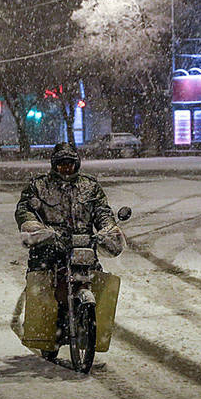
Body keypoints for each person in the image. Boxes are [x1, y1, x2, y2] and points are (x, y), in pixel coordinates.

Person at [11, 142, 125, 346]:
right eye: (61, 163)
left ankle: (92, 328)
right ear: (54, 164)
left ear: (77, 163)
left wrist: (108, 228)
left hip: (84, 246)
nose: (66, 167)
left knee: (98, 279)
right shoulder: (39, 186)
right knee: (43, 283)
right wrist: (34, 227)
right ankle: (43, 330)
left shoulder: (90, 186)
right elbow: (25, 209)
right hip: (50, 247)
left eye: (70, 163)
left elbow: (102, 211)